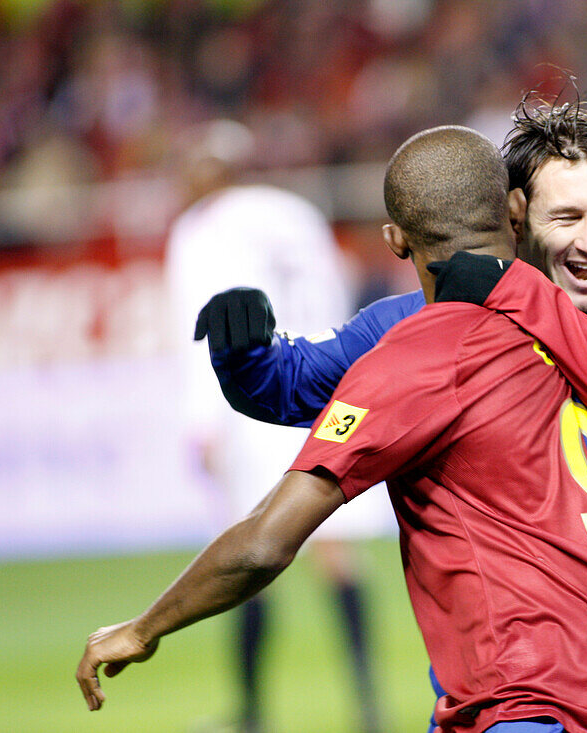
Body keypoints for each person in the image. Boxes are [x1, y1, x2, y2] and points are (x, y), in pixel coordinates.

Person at [79, 125, 587, 732]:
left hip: (531, 698)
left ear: (396, 239)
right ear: (519, 213)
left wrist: (143, 626)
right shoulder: (403, 328)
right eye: (569, 217)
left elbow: (264, 542)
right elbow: (293, 380)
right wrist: (242, 354)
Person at [164, 119, 390, 733]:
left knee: (249, 553)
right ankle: (369, 705)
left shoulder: (199, 230)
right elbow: (333, 299)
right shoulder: (291, 212)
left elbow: (204, 330)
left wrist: (202, 422)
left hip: (252, 403)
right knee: (335, 551)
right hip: (318, 387)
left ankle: (251, 712)